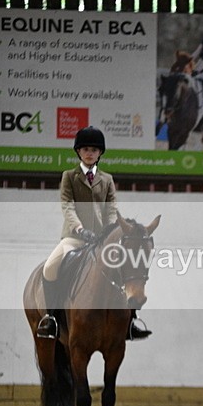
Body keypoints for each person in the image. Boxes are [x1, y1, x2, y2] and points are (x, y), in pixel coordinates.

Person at [36, 126, 152, 341]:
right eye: (86, 149)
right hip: (74, 237)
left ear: (100, 153)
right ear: (79, 152)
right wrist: (79, 228)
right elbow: (67, 206)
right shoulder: (69, 176)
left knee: (126, 268)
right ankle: (51, 319)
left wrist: (109, 231)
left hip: (102, 239)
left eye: (94, 150)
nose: (90, 153)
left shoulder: (107, 179)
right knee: (50, 267)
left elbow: (111, 208)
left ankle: (131, 321)